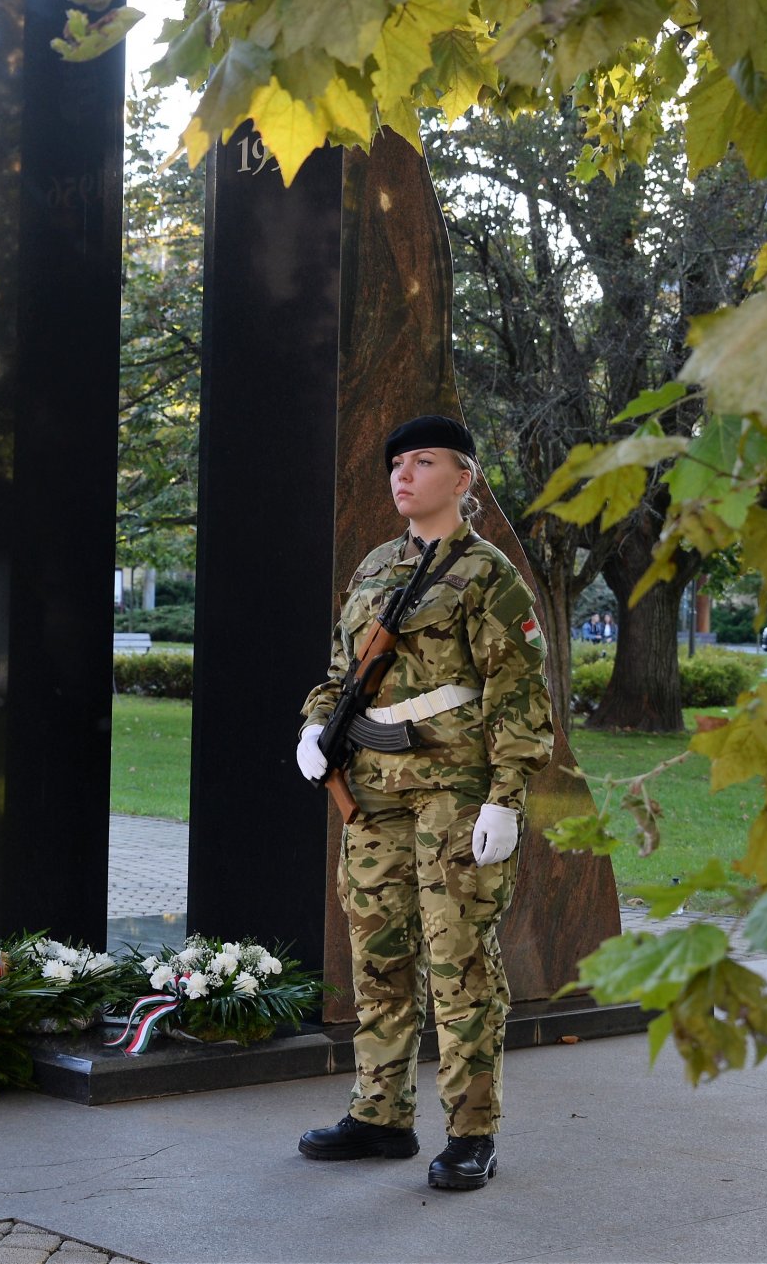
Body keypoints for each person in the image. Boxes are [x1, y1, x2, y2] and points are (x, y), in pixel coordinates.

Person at [293, 414, 552, 1191]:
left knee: (460, 962)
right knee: (379, 956)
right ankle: (380, 1114)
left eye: (424, 461)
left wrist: (505, 799)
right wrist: (314, 723)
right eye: (397, 463)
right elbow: (342, 671)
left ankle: (472, 1132)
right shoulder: (376, 566)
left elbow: (521, 695)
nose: (403, 475)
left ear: (464, 478)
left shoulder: (488, 575)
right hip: (370, 790)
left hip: (454, 790)